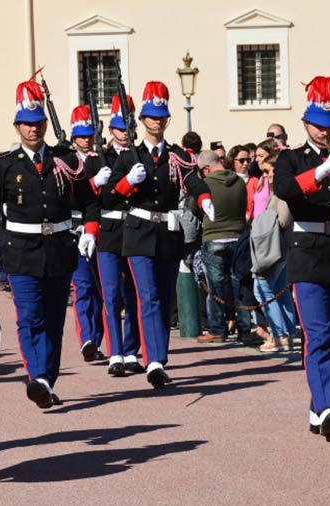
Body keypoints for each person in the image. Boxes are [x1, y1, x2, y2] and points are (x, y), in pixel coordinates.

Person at [0, 76, 94, 408]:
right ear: (17, 126)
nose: (34, 129)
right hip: (21, 251)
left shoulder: (66, 160)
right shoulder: (4, 165)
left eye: (38, 123)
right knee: (30, 317)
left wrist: (90, 230)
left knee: (55, 318)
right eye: (27, 124)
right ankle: (38, 376)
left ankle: (46, 379)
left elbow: (89, 201)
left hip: (58, 248)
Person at [105, 81, 213, 388]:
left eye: (162, 116)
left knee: (163, 297)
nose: (157, 121)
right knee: (147, 295)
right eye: (152, 116)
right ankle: (154, 360)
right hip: (138, 233)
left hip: (168, 232)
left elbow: (193, 181)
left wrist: (205, 200)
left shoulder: (178, 156)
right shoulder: (129, 156)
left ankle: (157, 357)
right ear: (142, 120)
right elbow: (109, 198)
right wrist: (127, 182)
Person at [273, 76, 330, 441]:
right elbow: (287, 189)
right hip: (307, 253)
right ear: (306, 124)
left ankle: (317, 405)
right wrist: (323, 172)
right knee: (318, 334)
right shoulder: (291, 158)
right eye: (318, 126)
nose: (324, 132)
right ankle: (328, 407)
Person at [97, 94, 143, 376]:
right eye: (120, 129)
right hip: (110, 231)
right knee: (111, 294)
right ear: (111, 130)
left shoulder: (140, 155)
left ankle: (132, 350)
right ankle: (115, 351)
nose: (125, 134)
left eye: (128, 129)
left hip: (136, 230)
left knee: (135, 293)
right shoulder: (100, 158)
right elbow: (94, 199)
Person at [194, 150, 251, 345]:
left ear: (206, 168)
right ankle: (244, 330)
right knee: (239, 286)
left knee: (215, 288)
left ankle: (217, 329)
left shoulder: (205, 185)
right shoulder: (239, 181)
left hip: (214, 238)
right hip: (238, 237)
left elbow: (195, 208)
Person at [67, 104, 106, 361]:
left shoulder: (101, 159)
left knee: (102, 290)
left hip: (101, 230)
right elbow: (68, 197)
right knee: (83, 287)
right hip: (76, 230)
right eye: (81, 136)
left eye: (89, 135)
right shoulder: (67, 162)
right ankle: (87, 339)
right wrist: (94, 183)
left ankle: (98, 339)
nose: (86, 140)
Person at [251, 152, 296, 352]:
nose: (266, 176)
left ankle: (280, 335)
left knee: (262, 290)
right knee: (280, 291)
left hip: (275, 248)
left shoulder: (282, 192)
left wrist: (266, 222)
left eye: (269, 171)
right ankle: (288, 334)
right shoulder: (280, 190)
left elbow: (284, 219)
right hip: (282, 249)